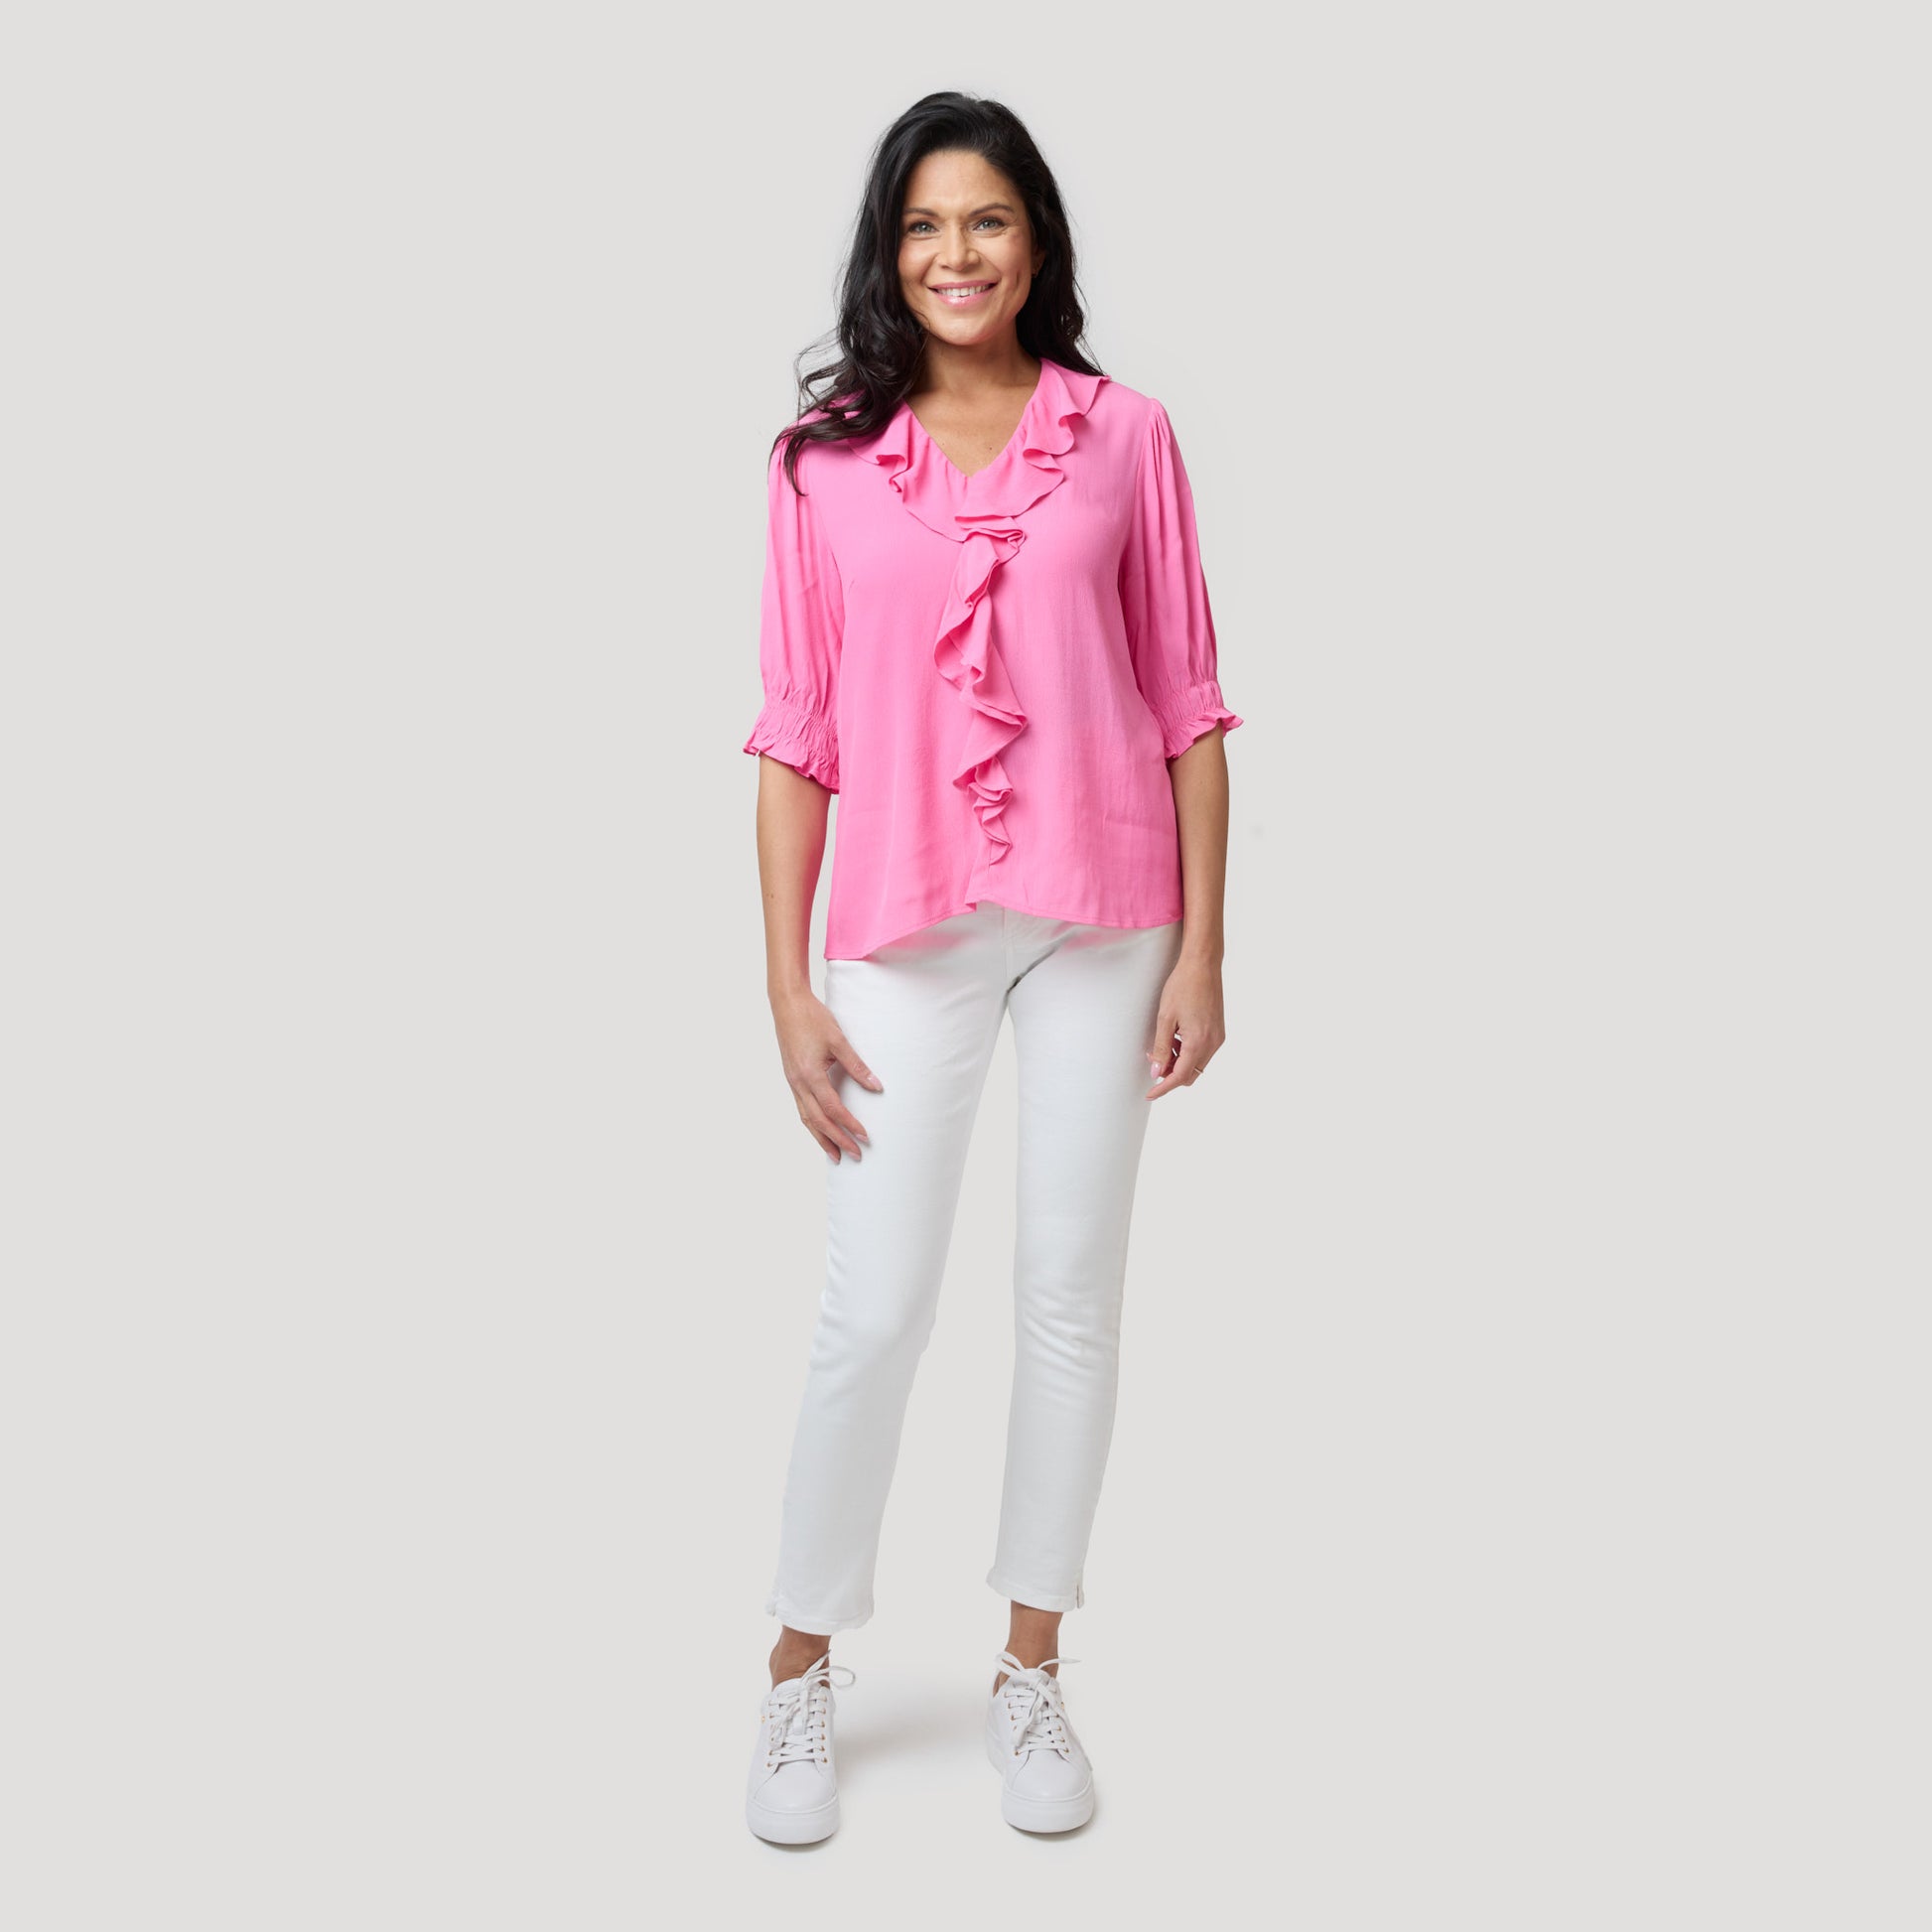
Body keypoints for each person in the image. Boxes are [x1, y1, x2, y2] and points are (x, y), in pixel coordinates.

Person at [740, 90, 1244, 1844]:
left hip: (1110, 915)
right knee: (872, 1304)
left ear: (1034, 240)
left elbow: (1188, 707)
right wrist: (786, 986)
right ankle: (798, 1662)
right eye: (923, 226)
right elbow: (794, 735)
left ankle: (1030, 1664)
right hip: (905, 921)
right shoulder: (821, 465)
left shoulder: (1127, 436)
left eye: (987, 220)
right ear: (889, 254)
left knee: (1066, 1294)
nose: (956, 254)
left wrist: (1203, 950)